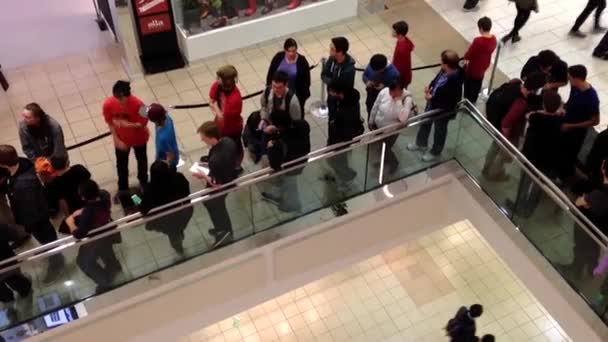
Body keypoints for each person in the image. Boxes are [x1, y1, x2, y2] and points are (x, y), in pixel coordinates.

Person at [0, 145, 64, 283]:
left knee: (48, 240)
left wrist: (26, 226)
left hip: (37, 220)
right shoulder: (22, 163)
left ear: (3, 164)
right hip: (37, 213)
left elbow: (31, 212)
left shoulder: (22, 185)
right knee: (47, 238)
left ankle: (57, 263)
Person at [508, 92, 563, 217]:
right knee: (538, 187)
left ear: (543, 105)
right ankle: (529, 210)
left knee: (524, 183)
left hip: (531, 158)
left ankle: (519, 206)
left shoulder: (536, 118)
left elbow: (529, 115)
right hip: (548, 161)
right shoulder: (559, 121)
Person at [482, 72, 546, 181]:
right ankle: (494, 174)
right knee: (503, 154)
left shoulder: (514, 85)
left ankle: (487, 167)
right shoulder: (520, 103)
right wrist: (507, 141)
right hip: (504, 132)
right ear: (535, 89)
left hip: (495, 124)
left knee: (494, 147)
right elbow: (506, 124)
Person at [66, 180, 122, 292]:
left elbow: (79, 234)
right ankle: (115, 269)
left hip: (96, 240)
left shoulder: (88, 212)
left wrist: (70, 222)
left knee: (83, 261)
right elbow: (95, 207)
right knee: (107, 252)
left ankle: (104, 282)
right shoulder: (105, 195)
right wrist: (84, 210)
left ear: (83, 197)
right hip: (108, 231)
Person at [408, 50, 463, 162]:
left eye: (441, 62)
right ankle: (421, 143)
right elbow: (437, 80)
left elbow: (449, 101)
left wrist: (431, 98)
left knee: (440, 130)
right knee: (425, 122)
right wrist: (430, 86)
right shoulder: (444, 70)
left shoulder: (455, 81)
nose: (440, 63)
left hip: (443, 110)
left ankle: (435, 152)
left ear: (447, 65)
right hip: (432, 103)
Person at [558, 159, 608, 282]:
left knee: (581, 246)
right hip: (600, 229)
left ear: (604, 169)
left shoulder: (601, 192)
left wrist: (585, 199)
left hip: (588, 225)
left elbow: (579, 202)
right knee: (592, 247)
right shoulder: (601, 191)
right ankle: (591, 267)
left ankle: (576, 270)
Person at [193, 122, 238, 248]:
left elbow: (216, 184)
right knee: (213, 205)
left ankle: (224, 232)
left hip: (221, 185)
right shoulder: (228, 142)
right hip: (230, 178)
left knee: (216, 207)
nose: (202, 139)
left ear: (211, 136)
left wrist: (202, 175)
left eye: (203, 137)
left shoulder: (215, 160)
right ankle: (222, 229)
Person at [103, 80, 149, 194]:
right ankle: (123, 188)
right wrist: (116, 140)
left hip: (139, 139)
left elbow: (144, 123)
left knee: (142, 161)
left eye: (119, 99)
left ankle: (143, 181)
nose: (117, 101)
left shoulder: (140, 105)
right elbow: (110, 122)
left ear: (125, 96)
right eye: (115, 98)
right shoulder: (108, 104)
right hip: (121, 139)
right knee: (121, 164)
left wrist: (128, 124)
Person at [139, 161, 193, 254]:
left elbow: (143, 208)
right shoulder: (178, 178)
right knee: (176, 229)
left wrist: (134, 197)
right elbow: (186, 192)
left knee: (173, 232)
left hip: (163, 220)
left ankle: (177, 244)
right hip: (181, 213)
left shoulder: (150, 190)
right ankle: (178, 239)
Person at [263, 111, 310, 212]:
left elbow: (274, 164)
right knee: (288, 183)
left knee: (290, 184)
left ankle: (293, 205)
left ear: (279, 126)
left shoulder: (279, 144)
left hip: (289, 168)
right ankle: (279, 194)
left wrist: (269, 142)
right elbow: (289, 138)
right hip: (302, 160)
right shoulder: (303, 125)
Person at [559, 65, 600, 182]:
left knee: (569, 155)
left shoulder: (592, 98)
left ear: (577, 79)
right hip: (566, 122)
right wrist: (563, 108)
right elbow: (571, 101)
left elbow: (595, 121)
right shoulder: (575, 87)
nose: (568, 80)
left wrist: (570, 126)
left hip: (576, 132)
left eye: (570, 78)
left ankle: (565, 177)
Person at [369, 83, 415, 174]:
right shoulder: (385, 91)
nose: (391, 93)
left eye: (394, 91)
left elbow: (403, 118)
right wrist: (371, 120)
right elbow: (376, 106)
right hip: (379, 127)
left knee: (386, 148)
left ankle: (394, 163)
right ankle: (384, 161)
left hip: (391, 131)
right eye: (390, 90)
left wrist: (398, 101)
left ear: (401, 90)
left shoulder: (407, 99)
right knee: (382, 147)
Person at [325, 81, 365, 183]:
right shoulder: (346, 98)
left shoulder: (347, 108)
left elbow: (344, 125)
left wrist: (334, 123)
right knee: (339, 156)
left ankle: (345, 175)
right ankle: (342, 171)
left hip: (343, 136)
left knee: (340, 157)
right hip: (340, 134)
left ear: (338, 93)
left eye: (331, 92)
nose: (329, 94)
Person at [209, 65, 244, 170]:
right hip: (219, 126)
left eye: (218, 78)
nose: (216, 79)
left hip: (233, 129)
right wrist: (216, 107)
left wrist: (215, 106)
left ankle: (237, 165)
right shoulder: (217, 85)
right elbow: (211, 101)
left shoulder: (235, 99)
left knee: (236, 148)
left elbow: (221, 115)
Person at [266, 38, 311, 118]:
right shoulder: (278, 57)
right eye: (289, 51)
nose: (291, 54)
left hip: (295, 94)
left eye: (293, 51)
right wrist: (270, 88)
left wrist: (302, 96)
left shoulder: (302, 61)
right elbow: (271, 73)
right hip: (278, 92)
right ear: (285, 50)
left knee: (296, 115)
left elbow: (307, 80)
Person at [46, 154, 92, 233]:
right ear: (67, 162)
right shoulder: (79, 169)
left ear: (53, 168)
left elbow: (62, 202)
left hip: (74, 208)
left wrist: (68, 217)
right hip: (88, 201)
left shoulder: (55, 183)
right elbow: (90, 182)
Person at [463, 17, 497, 104]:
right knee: (478, 82)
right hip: (484, 64)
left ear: (481, 28)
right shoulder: (493, 39)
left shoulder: (478, 41)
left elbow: (469, 54)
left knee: (469, 83)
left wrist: (466, 57)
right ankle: (474, 98)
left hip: (474, 66)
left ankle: (467, 99)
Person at [0, 225, 32, 303]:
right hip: (5, 259)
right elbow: (11, 234)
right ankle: (25, 293)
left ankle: (8, 301)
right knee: (14, 279)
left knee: (2, 291)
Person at [146, 103, 179, 170]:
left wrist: (162, 167)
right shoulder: (166, 117)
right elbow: (142, 110)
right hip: (161, 155)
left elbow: (171, 155)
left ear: (154, 120)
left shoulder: (165, 137)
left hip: (166, 164)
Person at [391, 21, 415, 88]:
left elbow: (401, 67)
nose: (392, 32)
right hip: (405, 76)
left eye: (394, 31)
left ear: (400, 34)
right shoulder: (404, 41)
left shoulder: (402, 49)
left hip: (401, 79)